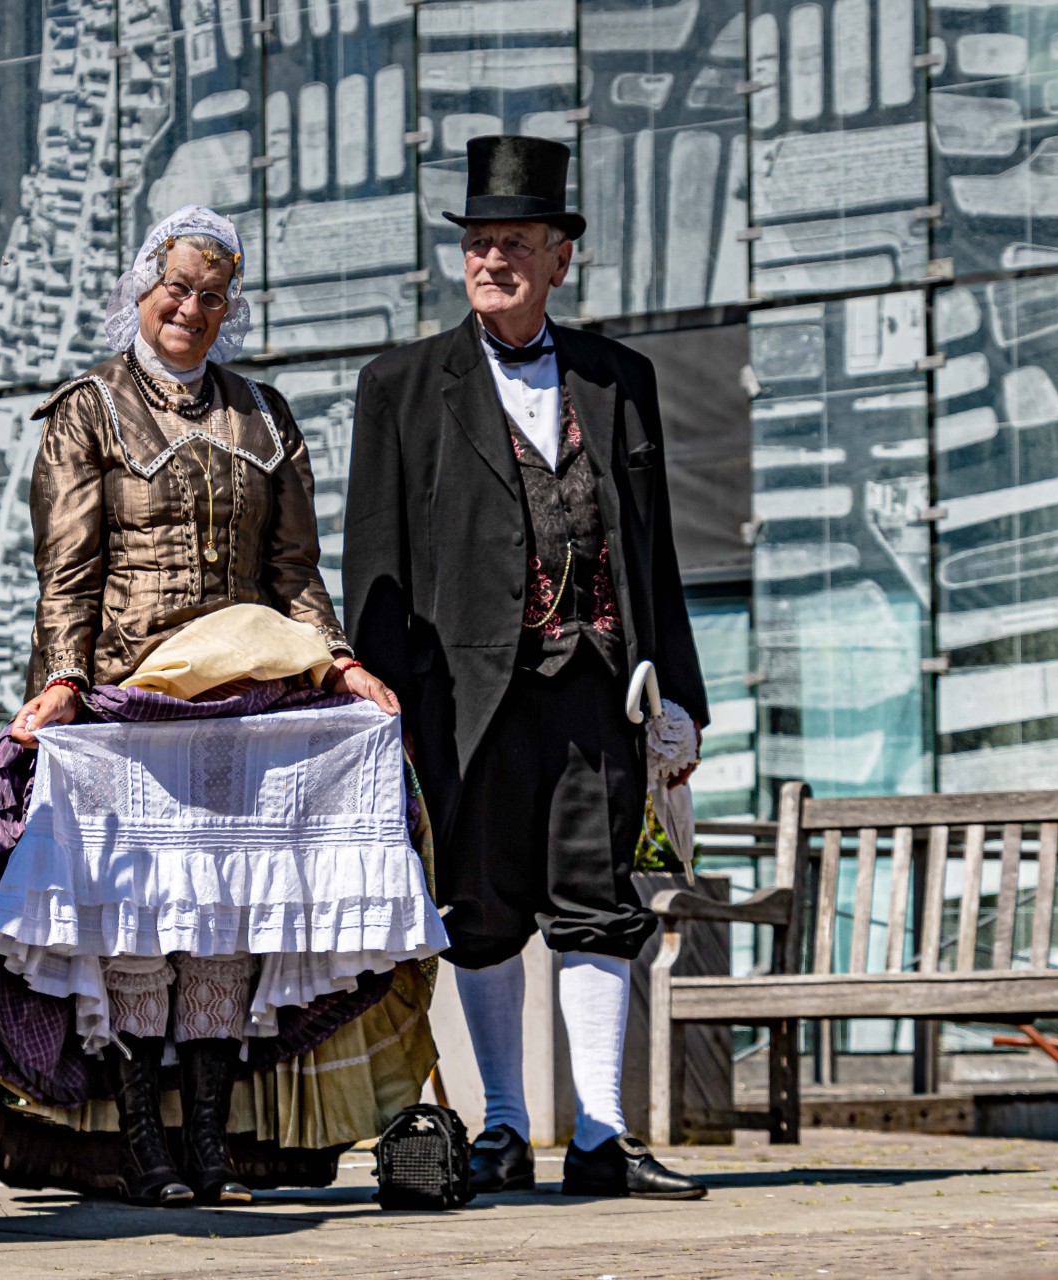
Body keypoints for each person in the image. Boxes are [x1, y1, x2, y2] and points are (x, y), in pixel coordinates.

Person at [0, 205, 436, 1207]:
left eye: (213, 295)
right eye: (178, 288)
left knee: (226, 915)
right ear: (143, 291)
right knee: (139, 919)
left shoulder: (264, 415)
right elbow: (68, 572)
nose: (192, 308)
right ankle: (144, 1143)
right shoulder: (88, 410)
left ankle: (214, 1143)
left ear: (231, 308)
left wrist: (339, 664)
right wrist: (62, 681)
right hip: (131, 702)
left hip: (247, 705)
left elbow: (295, 572)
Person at [342, 135, 710, 1199]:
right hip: (463, 698)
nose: (492, 259)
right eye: (479, 242)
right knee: (482, 905)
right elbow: (373, 561)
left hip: (600, 685)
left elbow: (656, 553)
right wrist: (381, 709)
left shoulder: (620, 379)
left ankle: (601, 1136)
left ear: (560, 258)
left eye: (515, 242)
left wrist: (681, 697)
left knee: (598, 899)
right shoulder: (401, 385)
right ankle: (503, 1127)